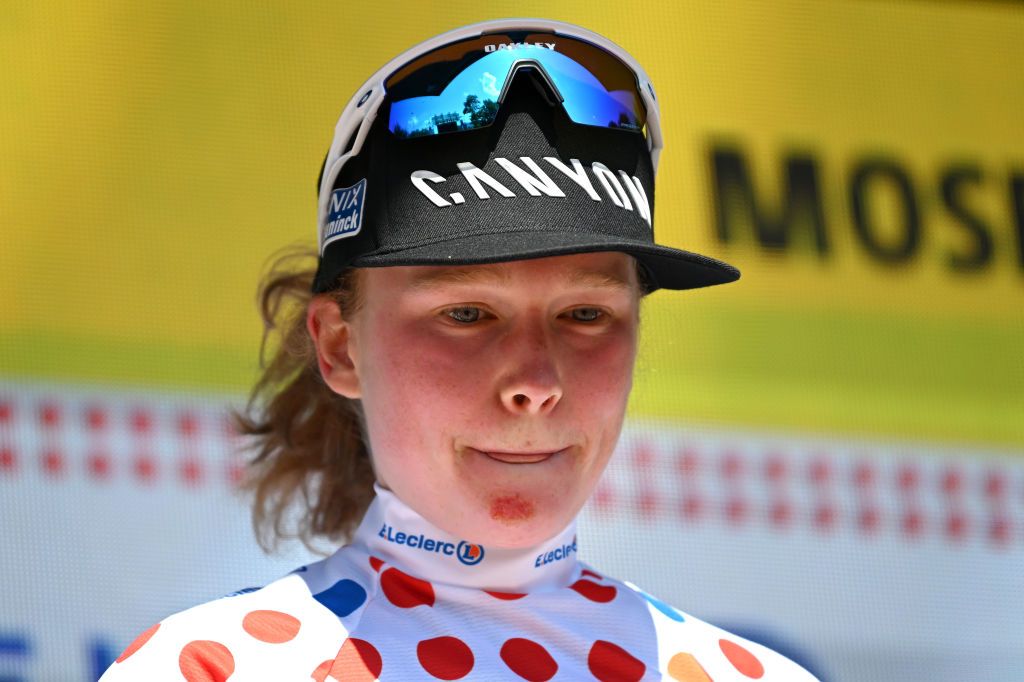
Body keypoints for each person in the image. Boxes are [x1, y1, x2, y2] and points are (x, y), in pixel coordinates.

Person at [101, 18, 819, 681]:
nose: (536, 382)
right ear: (341, 347)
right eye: (468, 313)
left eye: (585, 312)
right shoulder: (209, 670)